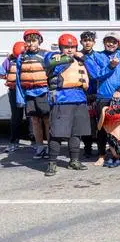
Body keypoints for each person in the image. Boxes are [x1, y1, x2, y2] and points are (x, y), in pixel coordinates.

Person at [42, 34, 98, 176]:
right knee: (56, 133)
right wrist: (68, 57)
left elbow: (96, 73)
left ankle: (74, 160)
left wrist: (83, 58)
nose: (69, 50)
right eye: (66, 47)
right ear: (61, 48)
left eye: (72, 47)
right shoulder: (55, 58)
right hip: (62, 99)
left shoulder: (80, 60)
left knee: (76, 132)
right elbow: (48, 62)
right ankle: (52, 163)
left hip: (79, 98)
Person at [86, 32, 120, 164]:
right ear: (104, 42)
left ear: (118, 44)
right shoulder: (97, 56)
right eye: (108, 41)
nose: (111, 44)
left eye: (114, 41)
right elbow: (96, 75)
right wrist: (110, 66)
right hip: (103, 96)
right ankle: (101, 155)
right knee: (102, 127)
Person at [15, 29, 50, 158]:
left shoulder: (46, 55)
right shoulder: (21, 57)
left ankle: (50, 146)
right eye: (28, 41)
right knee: (35, 121)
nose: (31, 43)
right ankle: (40, 147)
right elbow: (18, 79)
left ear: (39, 41)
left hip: (44, 92)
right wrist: (20, 98)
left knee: (47, 120)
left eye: (34, 40)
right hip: (29, 93)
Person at [0, 41, 26, 152]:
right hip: (14, 91)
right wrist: (8, 77)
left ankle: (36, 142)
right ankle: (14, 142)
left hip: (29, 91)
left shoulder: (31, 58)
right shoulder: (9, 60)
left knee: (32, 118)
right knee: (16, 117)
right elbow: (1, 72)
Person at [78, 31, 100, 157]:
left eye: (90, 40)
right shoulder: (77, 55)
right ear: (81, 41)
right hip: (82, 93)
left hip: (96, 91)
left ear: (94, 42)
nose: (87, 42)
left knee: (98, 121)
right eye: (85, 40)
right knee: (85, 121)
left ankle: (100, 146)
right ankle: (87, 147)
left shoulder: (97, 56)